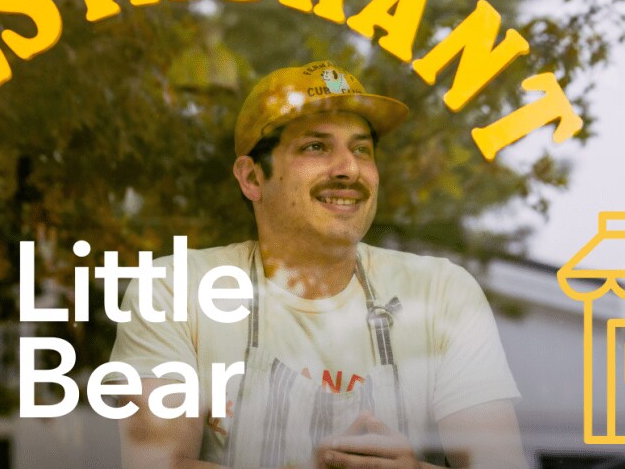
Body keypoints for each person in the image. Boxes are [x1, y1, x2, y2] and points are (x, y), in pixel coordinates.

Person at [106, 61, 527, 468]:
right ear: (252, 178)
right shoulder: (174, 288)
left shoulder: (441, 293)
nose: (348, 169)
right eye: (316, 146)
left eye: (361, 149)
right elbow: (156, 463)